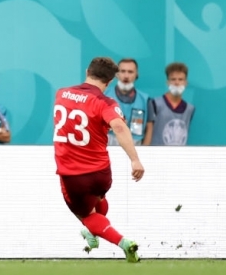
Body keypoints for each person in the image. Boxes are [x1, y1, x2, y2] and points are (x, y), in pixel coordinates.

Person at [53, 56, 144, 262]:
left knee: (86, 216)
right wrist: (134, 160)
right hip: (102, 173)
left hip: (72, 173)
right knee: (98, 200)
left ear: (87, 72)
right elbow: (119, 127)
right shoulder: (106, 102)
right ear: (110, 82)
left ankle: (123, 243)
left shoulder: (62, 94)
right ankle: (92, 234)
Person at [144, 62, 194, 146]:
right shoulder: (155, 104)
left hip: (179, 156)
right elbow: (149, 132)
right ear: (167, 82)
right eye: (173, 79)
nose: (177, 83)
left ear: (186, 83)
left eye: (180, 79)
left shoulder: (190, 109)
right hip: (157, 155)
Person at [104, 58, 149, 146]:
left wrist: (145, 152)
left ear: (136, 74)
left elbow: (149, 129)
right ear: (116, 74)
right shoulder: (104, 96)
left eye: (130, 72)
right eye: (123, 71)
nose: (126, 76)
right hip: (108, 148)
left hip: (136, 149)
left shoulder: (145, 100)